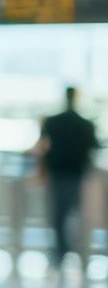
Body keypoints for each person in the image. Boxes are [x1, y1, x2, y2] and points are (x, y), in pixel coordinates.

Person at [35, 87, 98, 271]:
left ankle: (62, 253)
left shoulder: (54, 122)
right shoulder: (85, 124)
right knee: (78, 216)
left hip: (58, 173)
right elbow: (93, 147)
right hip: (77, 175)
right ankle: (77, 252)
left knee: (58, 216)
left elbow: (43, 146)